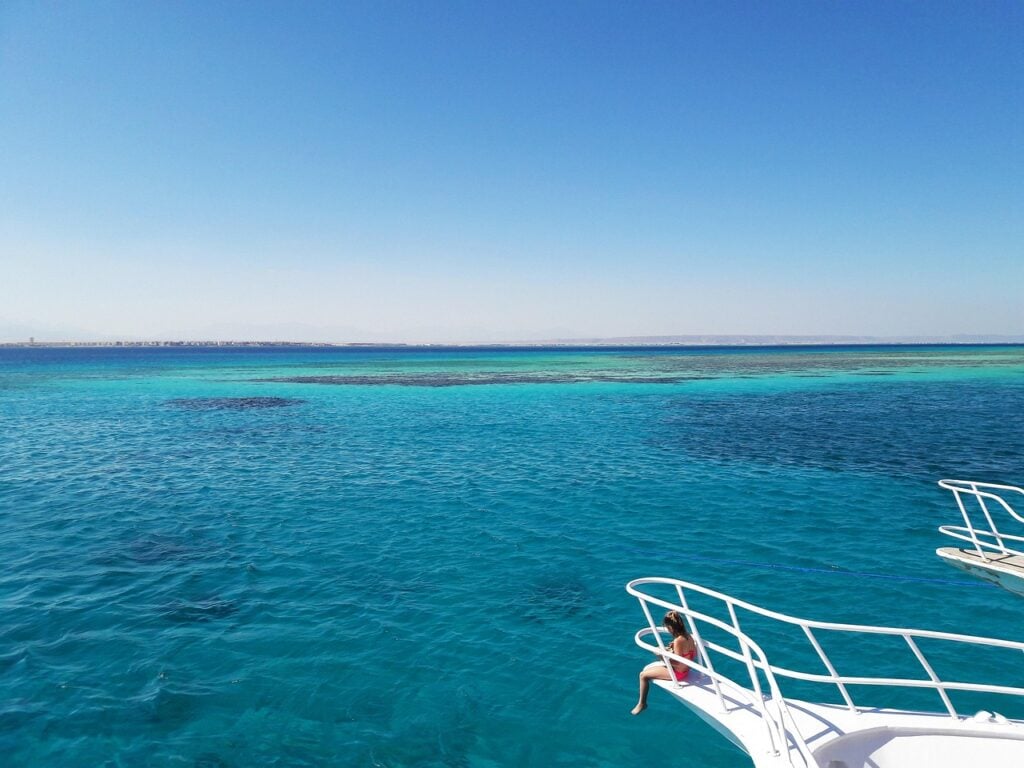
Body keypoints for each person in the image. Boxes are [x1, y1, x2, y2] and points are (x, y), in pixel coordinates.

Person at [631, 610, 696, 715]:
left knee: (643, 675)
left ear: (671, 627)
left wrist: (660, 656)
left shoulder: (678, 641)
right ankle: (642, 703)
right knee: (650, 669)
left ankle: (642, 703)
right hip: (686, 670)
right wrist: (672, 650)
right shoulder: (688, 636)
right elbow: (692, 653)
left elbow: (677, 662)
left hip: (677, 673)